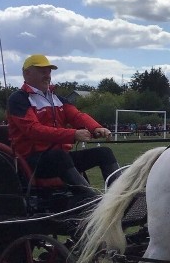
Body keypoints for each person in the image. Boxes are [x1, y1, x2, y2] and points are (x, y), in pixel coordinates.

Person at [7, 54, 119, 196]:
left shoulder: (57, 99)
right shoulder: (19, 99)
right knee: (59, 156)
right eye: (42, 71)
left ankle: (119, 199)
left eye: (49, 71)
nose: (47, 75)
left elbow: (77, 116)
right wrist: (73, 134)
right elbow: (33, 130)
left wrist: (96, 127)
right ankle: (94, 202)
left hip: (60, 158)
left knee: (104, 153)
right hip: (33, 161)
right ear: (27, 73)